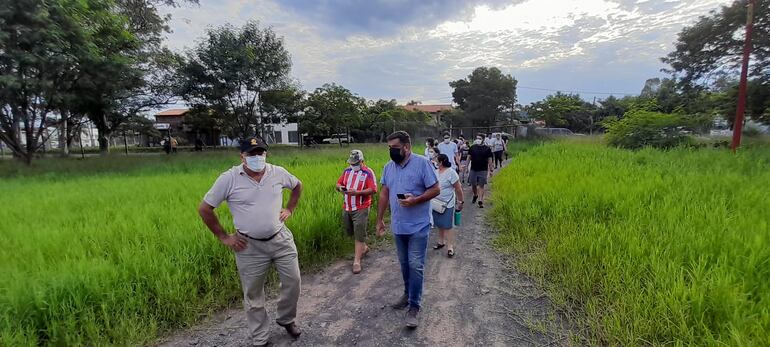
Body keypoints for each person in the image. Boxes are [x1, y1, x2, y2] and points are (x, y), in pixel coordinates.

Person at [198, 137, 304, 347]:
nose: (256, 157)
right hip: (249, 246)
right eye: (251, 154)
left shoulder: (277, 172)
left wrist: (290, 209)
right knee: (253, 293)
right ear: (242, 156)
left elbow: (297, 185)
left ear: (266, 154)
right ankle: (260, 337)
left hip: (280, 239)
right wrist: (224, 237)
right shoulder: (228, 178)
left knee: (293, 282)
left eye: (260, 153)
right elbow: (205, 208)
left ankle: (286, 319)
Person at [376, 131, 440, 329]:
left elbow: (436, 188)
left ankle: (414, 306)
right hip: (399, 225)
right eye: (389, 149)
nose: (391, 152)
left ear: (406, 147)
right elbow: (384, 193)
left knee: (415, 264)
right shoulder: (388, 167)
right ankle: (407, 293)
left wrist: (416, 200)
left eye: (394, 148)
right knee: (404, 264)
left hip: (419, 225)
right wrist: (379, 219)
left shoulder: (422, 164)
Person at [336, 150, 378, 274]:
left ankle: (357, 261)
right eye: (351, 163)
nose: (353, 166)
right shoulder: (347, 171)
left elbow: (373, 189)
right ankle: (363, 248)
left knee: (359, 232)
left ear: (361, 161)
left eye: (355, 163)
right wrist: (340, 188)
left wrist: (358, 192)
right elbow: (338, 183)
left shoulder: (368, 173)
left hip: (361, 207)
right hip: (347, 206)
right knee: (350, 231)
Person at [431, 154, 464, 257]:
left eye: (436, 160)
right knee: (439, 223)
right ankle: (441, 242)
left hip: (447, 203)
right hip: (436, 203)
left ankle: (450, 247)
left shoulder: (451, 172)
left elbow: (458, 188)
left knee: (448, 225)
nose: (434, 161)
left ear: (441, 162)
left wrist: (460, 201)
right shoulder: (435, 172)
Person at [468, 135, 493, 208]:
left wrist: (491, 169)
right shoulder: (472, 148)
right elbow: (469, 157)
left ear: (483, 139)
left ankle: (480, 200)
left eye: (480, 138)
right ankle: (475, 195)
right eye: (477, 138)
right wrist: (466, 167)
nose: (478, 139)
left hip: (483, 170)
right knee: (473, 184)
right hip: (473, 169)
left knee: (481, 185)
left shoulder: (487, 149)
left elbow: (489, 159)